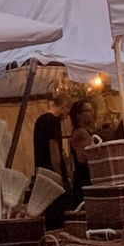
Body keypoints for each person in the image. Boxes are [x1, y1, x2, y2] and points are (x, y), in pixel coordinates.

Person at [31, 94, 69, 230]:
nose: (66, 116)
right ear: (64, 107)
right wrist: (59, 175)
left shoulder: (39, 120)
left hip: (42, 174)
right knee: (57, 212)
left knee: (48, 212)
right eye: (67, 112)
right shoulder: (53, 121)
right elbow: (53, 148)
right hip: (52, 174)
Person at [67, 98, 98, 205]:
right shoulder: (81, 133)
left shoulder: (84, 132)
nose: (91, 113)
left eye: (91, 110)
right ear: (78, 115)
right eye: (87, 111)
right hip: (84, 180)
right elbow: (83, 158)